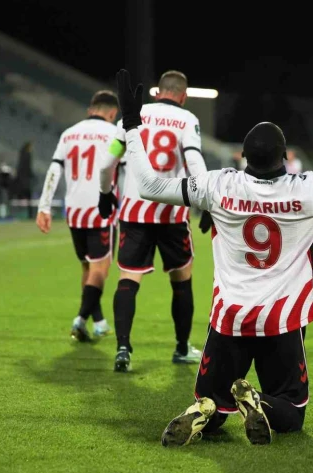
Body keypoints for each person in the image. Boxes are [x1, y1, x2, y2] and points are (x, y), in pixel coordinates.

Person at [114, 65, 313, 446]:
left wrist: (133, 125)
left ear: (243, 157)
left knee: (212, 405)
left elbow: (150, 184)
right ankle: (260, 403)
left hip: (229, 319)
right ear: (284, 156)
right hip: (281, 321)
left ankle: (205, 410)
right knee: (292, 412)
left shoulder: (218, 184)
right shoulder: (309, 190)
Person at [98, 70, 208, 371]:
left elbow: (108, 160)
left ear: (158, 92)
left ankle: (123, 348)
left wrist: (104, 193)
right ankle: (182, 347)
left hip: (134, 211)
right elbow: (194, 161)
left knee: (128, 280)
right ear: (183, 96)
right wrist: (206, 202)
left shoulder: (135, 113)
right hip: (171, 212)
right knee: (181, 280)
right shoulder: (187, 120)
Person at [36, 91, 121, 342]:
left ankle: (100, 322)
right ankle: (81, 319)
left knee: (87, 265)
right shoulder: (114, 134)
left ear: (90, 109)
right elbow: (123, 171)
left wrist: (44, 206)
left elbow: (54, 170)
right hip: (100, 209)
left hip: (73, 211)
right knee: (101, 269)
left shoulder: (69, 133)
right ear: (112, 113)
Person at [14, 141, 34, 218]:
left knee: (20, 197)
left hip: (21, 179)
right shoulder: (28, 155)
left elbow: (20, 167)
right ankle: (29, 215)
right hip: (25, 181)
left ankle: (18, 214)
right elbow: (27, 168)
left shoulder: (21, 155)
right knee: (28, 198)